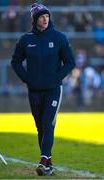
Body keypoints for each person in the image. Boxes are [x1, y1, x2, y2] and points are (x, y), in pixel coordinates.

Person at [11, 3, 75, 176]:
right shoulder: (26, 39)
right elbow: (15, 62)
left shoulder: (59, 37)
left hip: (53, 90)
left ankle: (43, 160)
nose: (45, 19)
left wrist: (56, 78)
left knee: (48, 123)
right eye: (41, 16)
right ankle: (49, 165)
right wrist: (26, 78)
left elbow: (70, 62)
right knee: (41, 127)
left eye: (47, 16)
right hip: (34, 91)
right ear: (35, 19)